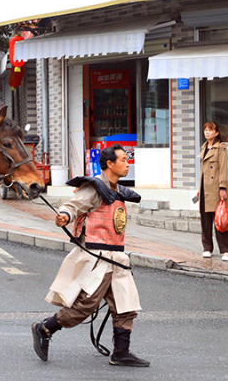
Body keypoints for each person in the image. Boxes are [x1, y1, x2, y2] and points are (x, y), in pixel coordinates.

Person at [31, 144, 149, 367]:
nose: (127, 164)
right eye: (123, 160)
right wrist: (64, 216)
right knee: (84, 307)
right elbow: (73, 205)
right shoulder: (94, 188)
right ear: (109, 164)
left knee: (125, 304)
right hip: (97, 258)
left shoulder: (118, 191)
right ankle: (45, 328)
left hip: (117, 258)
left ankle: (121, 352)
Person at [196, 121, 228, 261]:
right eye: (205, 130)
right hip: (205, 188)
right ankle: (207, 248)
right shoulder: (204, 147)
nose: (207, 132)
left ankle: (227, 251)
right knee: (205, 221)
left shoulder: (221, 148)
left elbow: (223, 169)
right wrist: (199, 189)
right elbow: (203, 172)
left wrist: (222, 188)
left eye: (210, 130)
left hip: (216, 188)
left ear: (216, 133)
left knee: (220, 220)